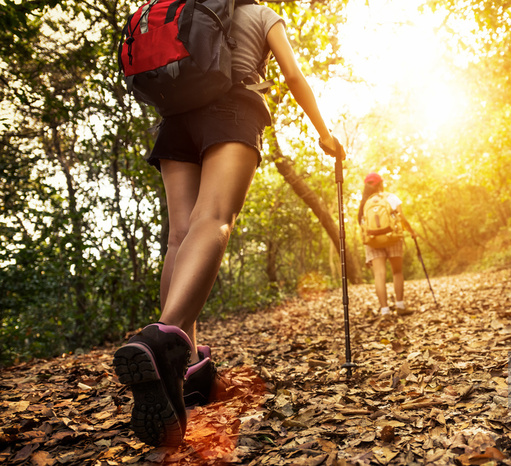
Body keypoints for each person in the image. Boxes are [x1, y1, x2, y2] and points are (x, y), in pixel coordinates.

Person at [112, 0, 345, 447]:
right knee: (215, 217)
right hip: (233, 110)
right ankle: (164, 341)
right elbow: (293, 75)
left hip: (175, 122)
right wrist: (323, 132)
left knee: (179, 237)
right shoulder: (261, 14)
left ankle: (181, 370)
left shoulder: (185, 8)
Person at [358, 172, 416, 318]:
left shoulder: (365, 202)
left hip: (372, 241)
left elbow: (362, 223)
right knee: (397, 272)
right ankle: (400, 306)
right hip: (393, 237)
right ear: (381, 184)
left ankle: (385, 311)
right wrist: (411, 231)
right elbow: (401, 218)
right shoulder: (391, 197)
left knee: (379, 274)